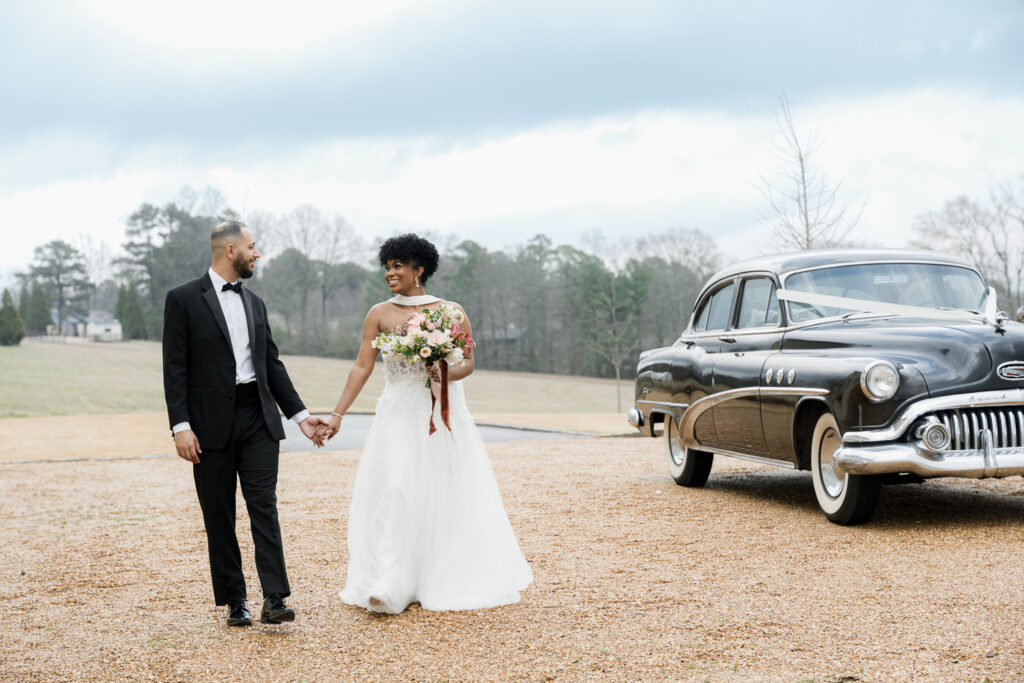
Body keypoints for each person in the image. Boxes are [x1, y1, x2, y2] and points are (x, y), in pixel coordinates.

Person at [316, 233, 532, 613]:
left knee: (441, 490)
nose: (390, 273)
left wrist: (441, 372)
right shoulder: (378, 314)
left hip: (442, 412)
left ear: (419, 269)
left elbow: (467, 362)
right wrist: (337, 414)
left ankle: (436, 574)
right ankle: (389, 579)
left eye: (398, 266)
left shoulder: (450, 312)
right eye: (387, 266)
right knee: (397, 486)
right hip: (397, 411)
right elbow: (362, 366)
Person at [162, 220, 327, 627]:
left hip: (258, 418)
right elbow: (174, 368)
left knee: (263, 508)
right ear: (231, 250)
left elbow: (271, 364)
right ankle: (236, 600)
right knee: (218, 514)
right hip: (208, 424)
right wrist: (180, 425)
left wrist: (301, 417)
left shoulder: (256, 302)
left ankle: (274, 597)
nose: (258, 254)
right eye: (252, 247)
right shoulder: (182, 299)